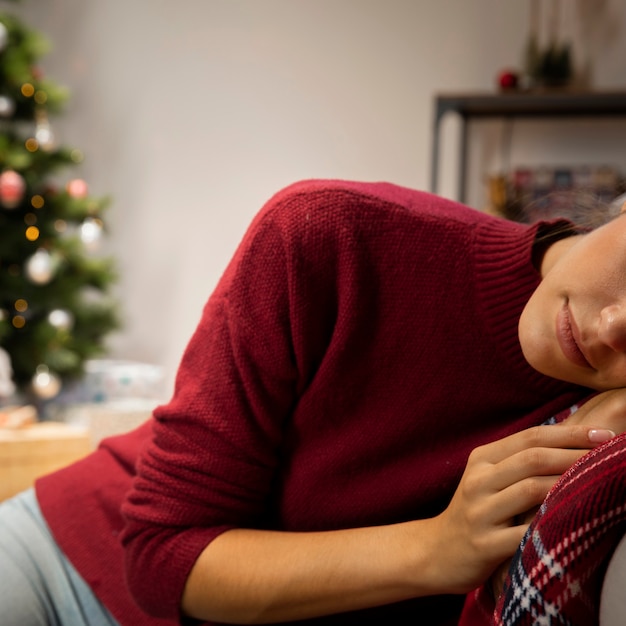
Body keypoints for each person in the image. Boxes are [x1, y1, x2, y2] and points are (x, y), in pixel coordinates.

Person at [2, 178, 626, 626]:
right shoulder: (327, 232)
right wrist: (435, 549)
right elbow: (162, 553)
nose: (616, 326)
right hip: (67, 563)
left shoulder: (597, 426)